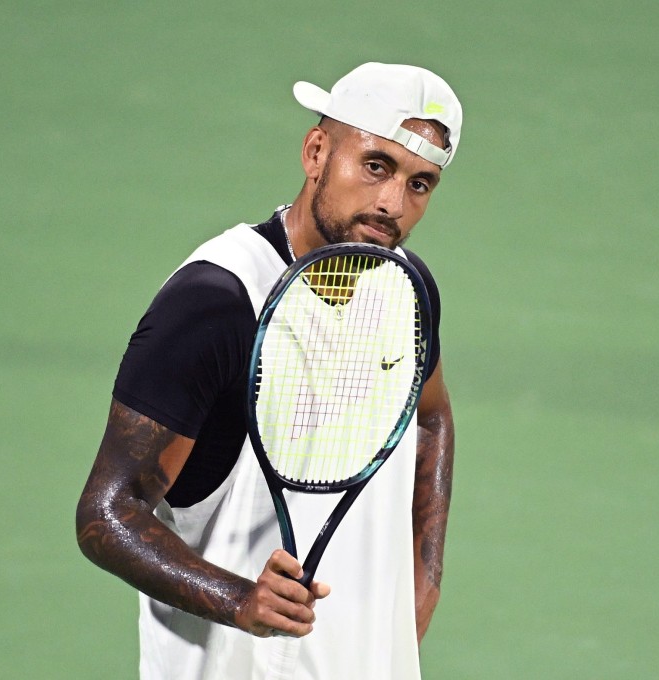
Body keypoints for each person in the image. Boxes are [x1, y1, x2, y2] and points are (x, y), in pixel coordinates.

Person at [76, 62, 461, 680]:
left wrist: (426, 574)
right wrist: (239, 599)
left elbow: (431, 418)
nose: (392, 202)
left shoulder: (406, 289)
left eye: (420, 184)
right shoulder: (218, 301)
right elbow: (106, 512)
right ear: (316, 152)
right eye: (375, 166)